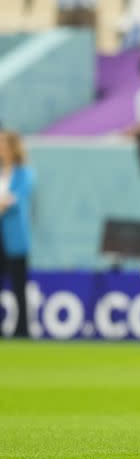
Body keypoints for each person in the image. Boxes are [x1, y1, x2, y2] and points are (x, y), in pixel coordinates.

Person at [0, 131, 34, 338]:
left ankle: (22, 330)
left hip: (15, 238)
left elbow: (14, 200)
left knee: (18, 287)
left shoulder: (24, 173)